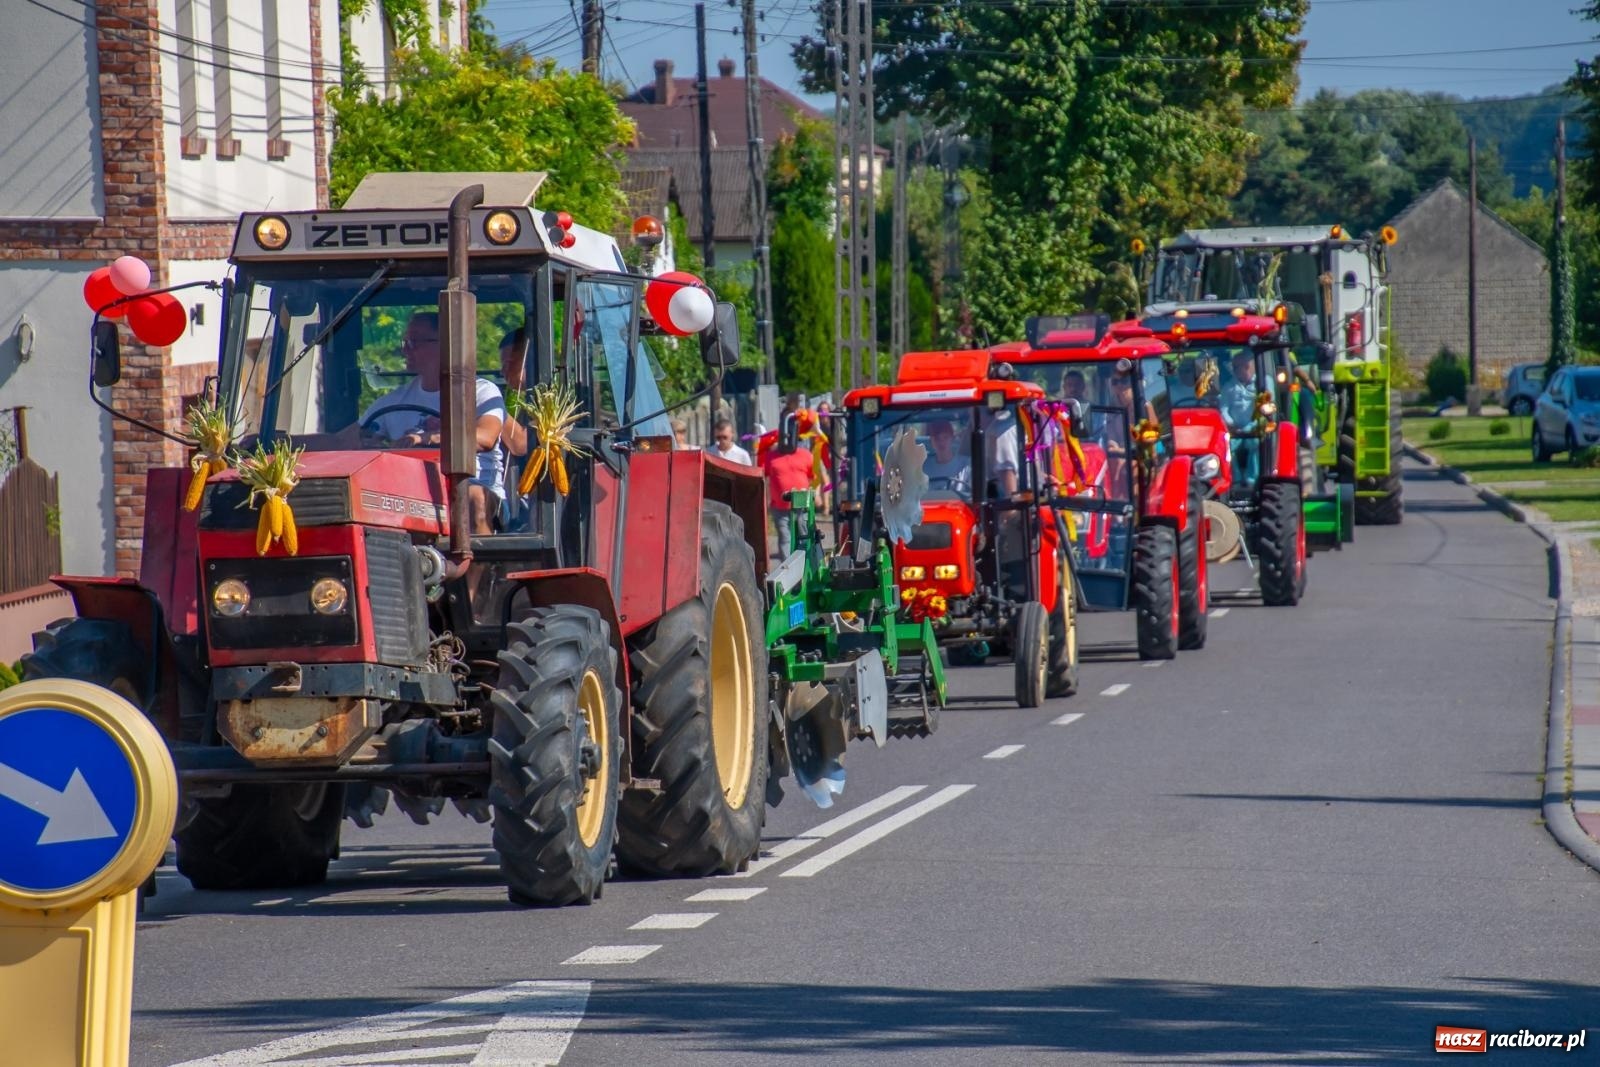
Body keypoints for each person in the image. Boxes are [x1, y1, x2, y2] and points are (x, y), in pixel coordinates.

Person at [359, 311, 505, 536]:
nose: (405, 350)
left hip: (471, 487)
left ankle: (480, 567)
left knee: (473, 498)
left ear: (446, 345)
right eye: (405, 342)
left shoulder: (480, 392)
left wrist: (428, 438)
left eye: (414, 342)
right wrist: (290, 442)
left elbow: (485, 437)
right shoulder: (394, 401)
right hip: (411, 493)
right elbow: (345, 439)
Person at [763, 433, 815, 559]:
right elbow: (764, 477)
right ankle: (787, 569)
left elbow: (812, 477)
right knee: (785, 537)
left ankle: (804, 565)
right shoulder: (771, 456)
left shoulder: (806, 455)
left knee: (804, 535)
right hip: (780, 506)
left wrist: (815, 494)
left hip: (802, 505)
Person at [922, 419, 971, 494]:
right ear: (931, 441)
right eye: (937, 438)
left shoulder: (966, 466)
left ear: (952, 438)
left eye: (945, 437)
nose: (941, 442)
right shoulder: (923, 467)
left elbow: (973, 496)